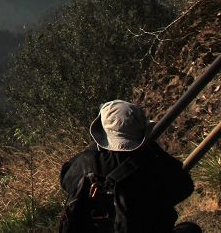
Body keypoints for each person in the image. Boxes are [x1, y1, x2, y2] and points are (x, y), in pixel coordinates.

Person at [60, 100, 201, 233]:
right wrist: (150, 147)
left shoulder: (86, 163)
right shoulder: (153, 164)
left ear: (102, 135)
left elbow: (65, 180)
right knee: (190, 229)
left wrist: (94, 148)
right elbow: (185, 187)